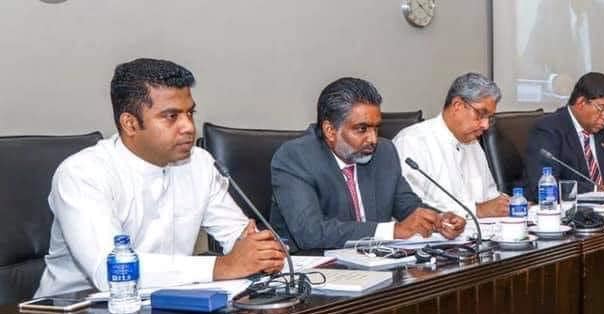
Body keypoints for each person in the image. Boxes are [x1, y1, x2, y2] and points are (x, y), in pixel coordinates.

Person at [36, 58, 285, 297]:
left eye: (190, 113)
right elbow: (110, 270)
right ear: (130, 124)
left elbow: (238, 237)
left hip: (166, 306)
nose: (188, 126)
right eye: (171, 116)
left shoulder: (200, 163)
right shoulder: (83, 173)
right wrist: (221, 266)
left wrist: (258, 252)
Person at [270, 77, 466, 250]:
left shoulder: (384, 152)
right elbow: (310, 233)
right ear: (330, 130)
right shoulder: (295, 158)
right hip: (316, 273)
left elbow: (408, 207)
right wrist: (392, 231)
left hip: (375, 265)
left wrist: (439, 220)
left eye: (376, 128)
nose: (373, 139)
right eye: (361, 129)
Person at [393, 73, 508, 218]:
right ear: (457, 106)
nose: (485, 125)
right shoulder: (412, 142)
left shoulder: (473, 143)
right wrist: (476, 210)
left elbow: (490, 198)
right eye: (480, 114)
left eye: (489, 118)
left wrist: (506, 205)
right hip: (432, 239)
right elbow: (408, 209)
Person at [524, 72, 604, 199]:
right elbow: (544, 186)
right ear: (581, 102)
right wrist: (598, 190)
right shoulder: (548, 130)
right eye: (602, 108)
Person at [518, 0, 604, 105]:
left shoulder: (601, 10)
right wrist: (554, 80)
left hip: (597, 102)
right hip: (563, 104)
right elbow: (528, 63)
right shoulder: (549, 11)